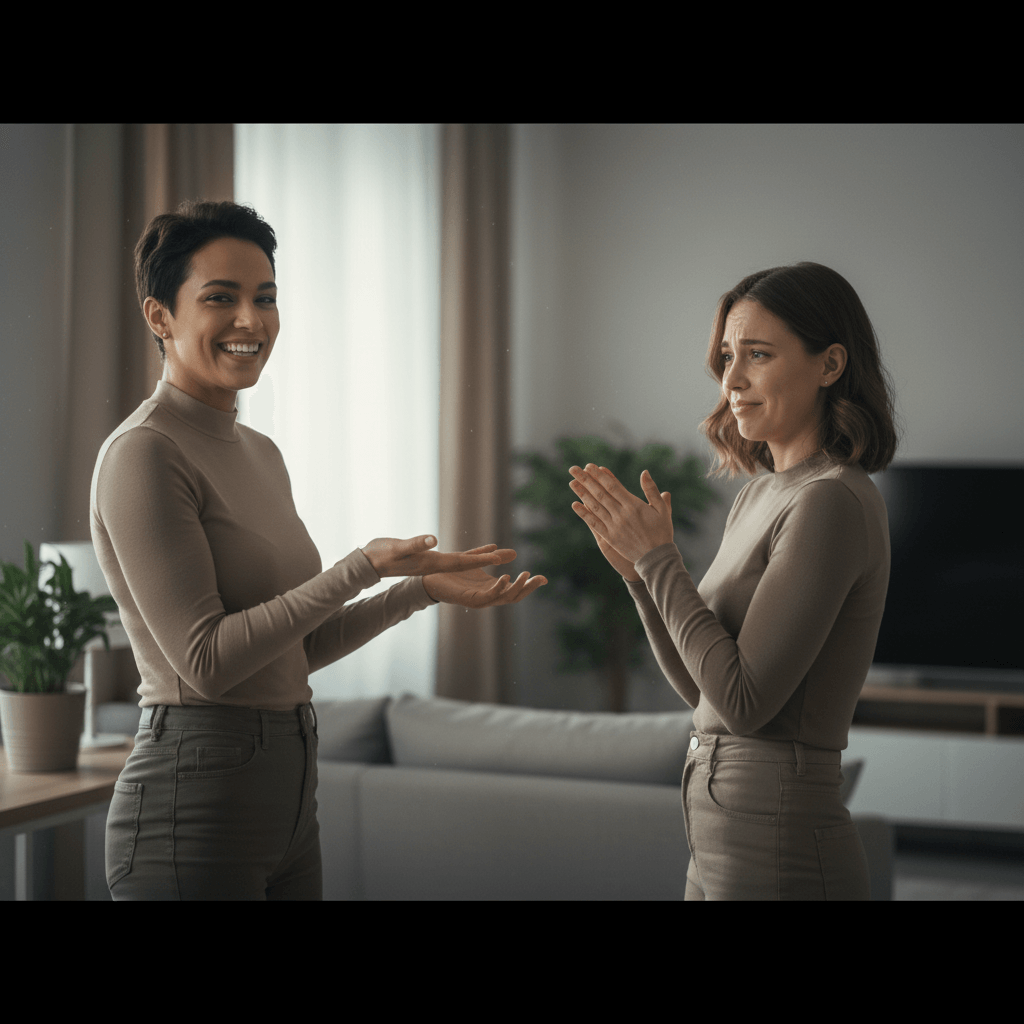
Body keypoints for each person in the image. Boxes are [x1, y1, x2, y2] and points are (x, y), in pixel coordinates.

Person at [91, 199, 546, 901]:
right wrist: (359, 568)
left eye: (265, 297)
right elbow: (209, 664)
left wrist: (415, 591)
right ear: (160, 317)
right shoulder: (144, 454)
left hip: (291, 794)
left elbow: (290, 652)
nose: (252, 320)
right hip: (194, 800)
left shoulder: (261, 453)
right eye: (221, 298)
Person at [568, 262, 898, 900]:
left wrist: (662, 563)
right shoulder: (760, 497)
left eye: (758, 355)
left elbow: (747, 704)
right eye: (726, 356)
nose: (732, 380)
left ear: (830, 365)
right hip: (722, 837)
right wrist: (641, 577)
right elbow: (704, 694)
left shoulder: (829, 501)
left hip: (779, 842)